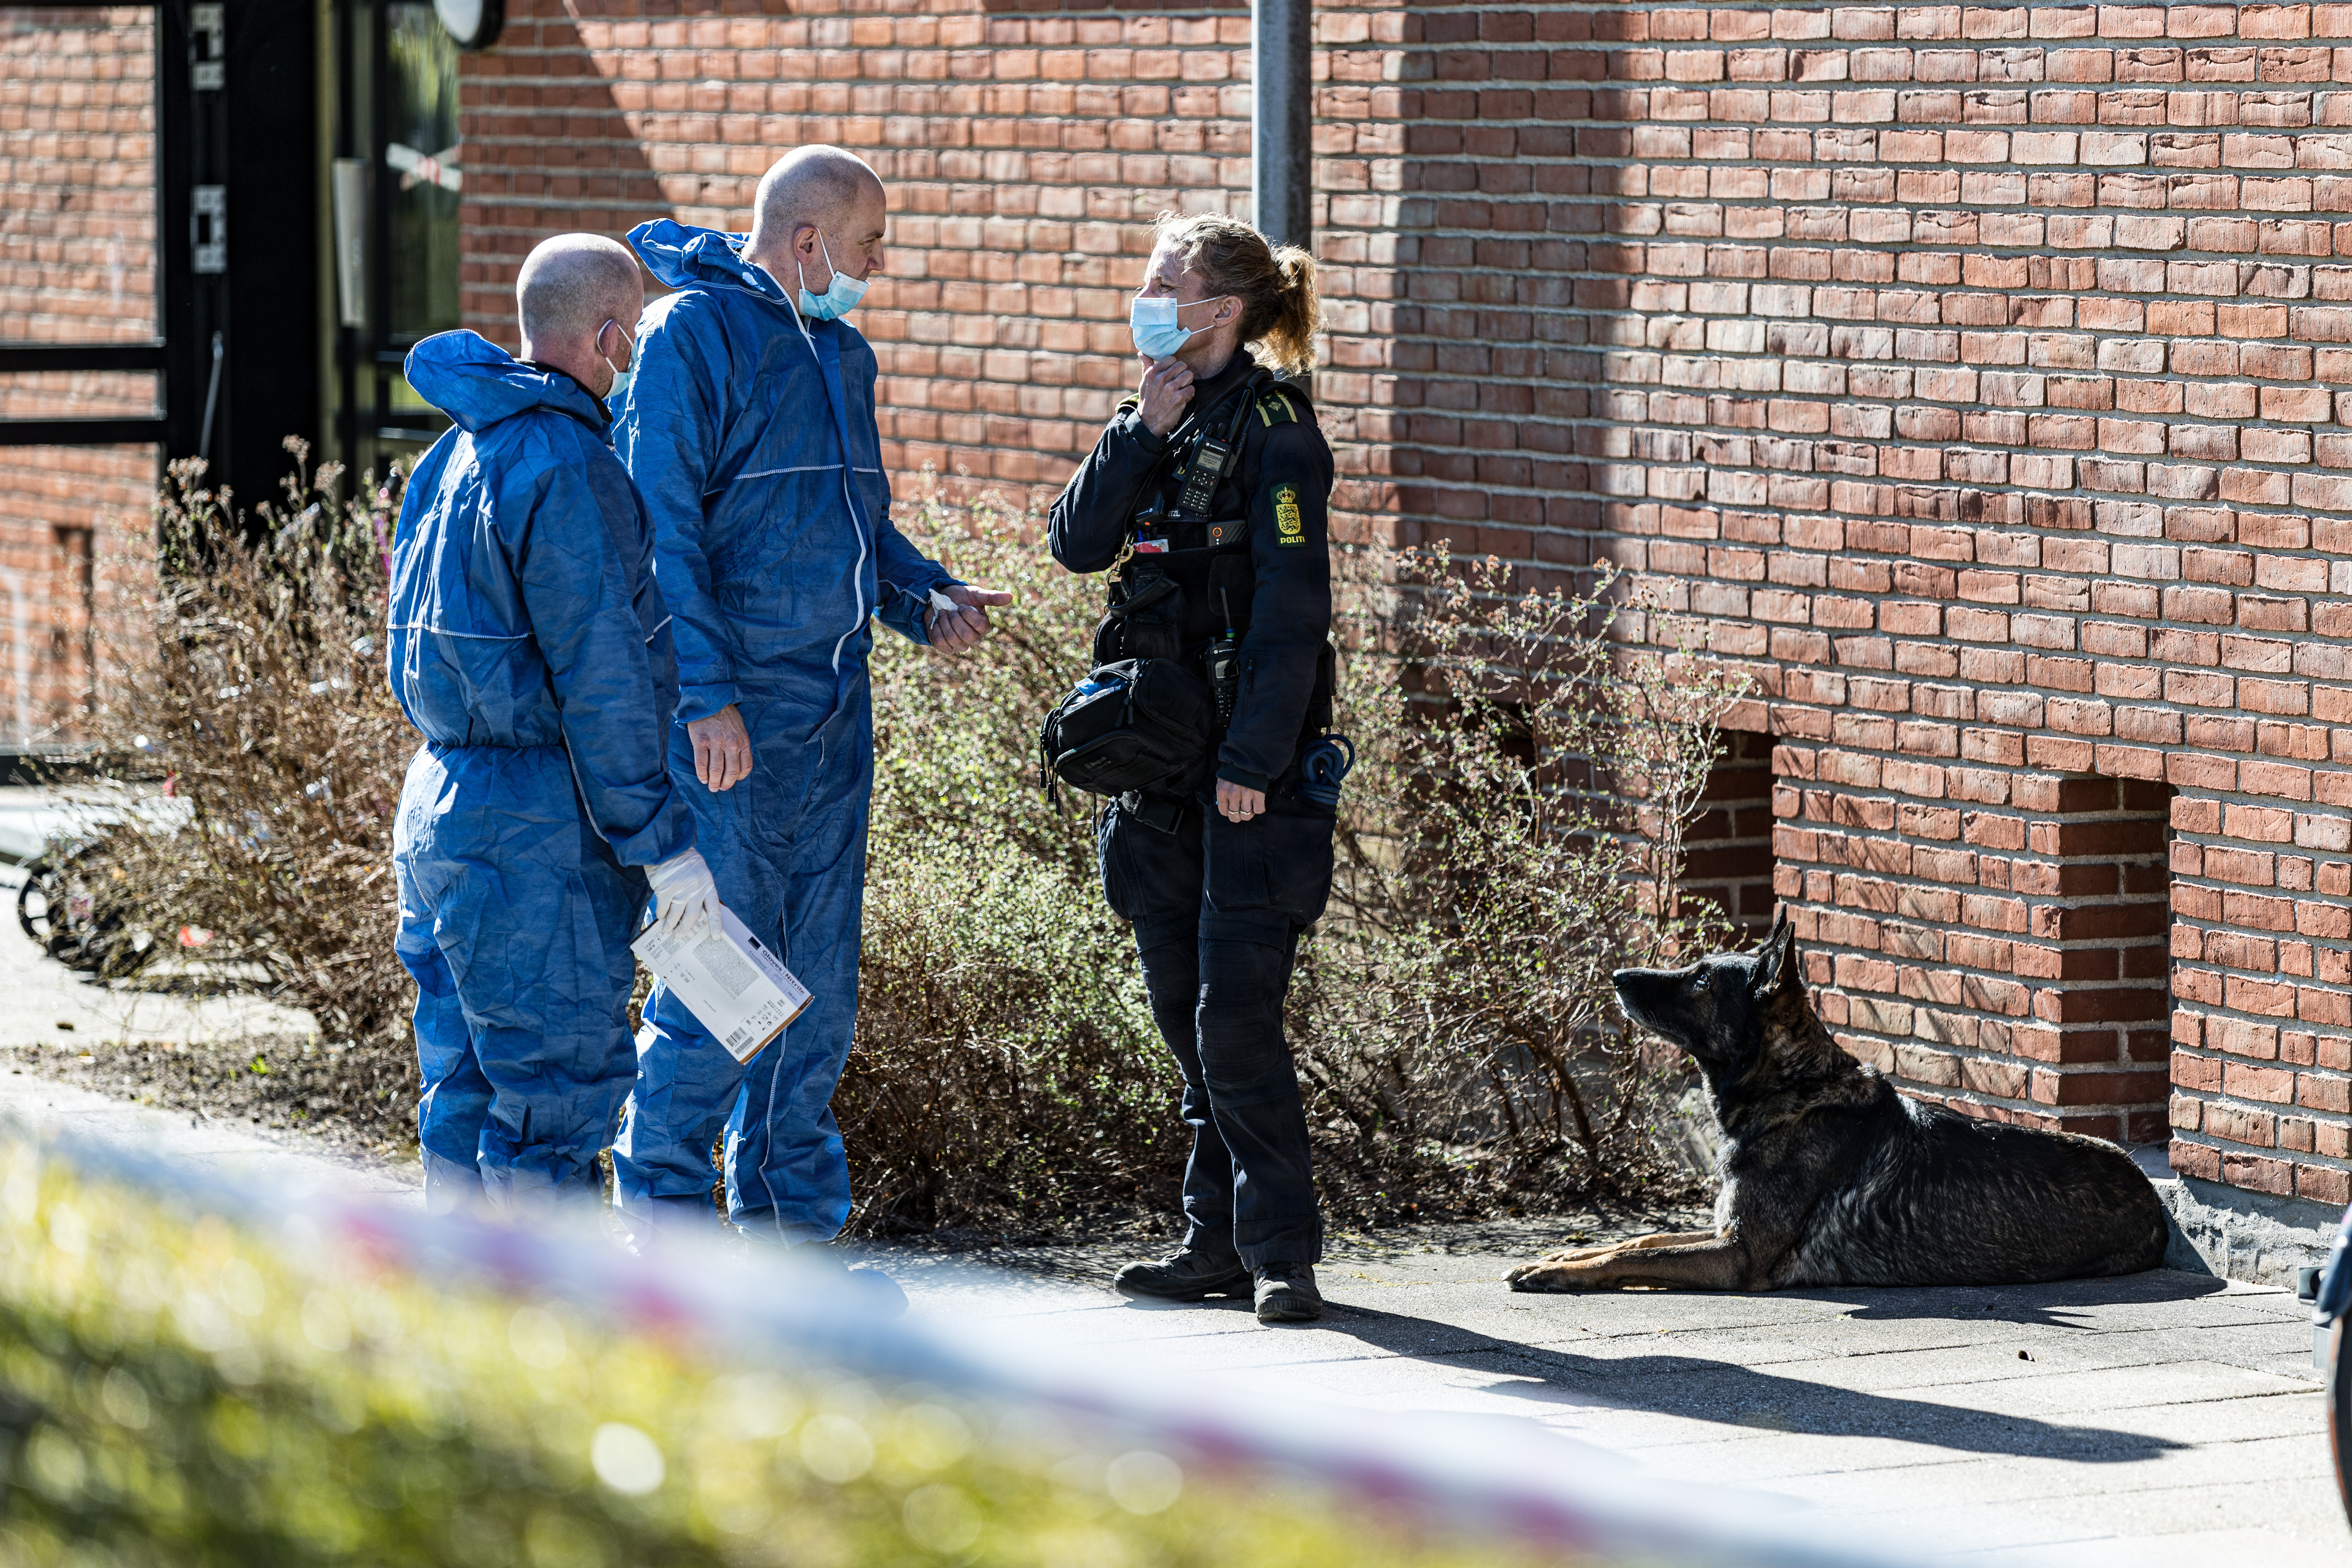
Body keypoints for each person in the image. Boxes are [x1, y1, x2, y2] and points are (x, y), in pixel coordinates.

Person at [611, 146, 1011, 1261]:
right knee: (718, 976)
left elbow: (859, 533)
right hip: (731, 719)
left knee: (815, 988)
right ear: (806, 243)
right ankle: (666, 1229)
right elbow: (662, 534)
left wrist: (925, 596)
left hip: (834, 717)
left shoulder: (844, 358)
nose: (876, 269)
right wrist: (706, 698)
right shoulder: (690, 337)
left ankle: (789, 1229)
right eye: (869, 248)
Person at [390, 234, 720, 1216]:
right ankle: (548, 1350)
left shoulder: (454, 450)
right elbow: (604, 674)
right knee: (555, 1107)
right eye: (637, 340)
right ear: (613, 336)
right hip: (539, 832)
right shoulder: (570, 463)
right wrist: (663, 846)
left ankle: (454, 1328)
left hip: (439, 807)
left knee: (463, 1091)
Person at [1047, 213, 1338, 1324]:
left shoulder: (1277, 435)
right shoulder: (1157, 412)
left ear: (1223, 308)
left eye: (1168, 280)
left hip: (1245, 774)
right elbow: (1076, 545)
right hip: (1158, 766)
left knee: (1236, 1015)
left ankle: (1280, 1253)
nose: (1149, 295)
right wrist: (1136, 429)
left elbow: (1293, 616)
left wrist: (1258, 759)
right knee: (1181, 1004)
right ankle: (1209, 1241)